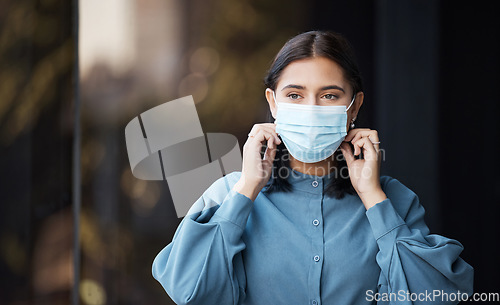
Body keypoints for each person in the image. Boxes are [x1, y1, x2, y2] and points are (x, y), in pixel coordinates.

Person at [152, 30, 474, 305]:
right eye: (294, 94)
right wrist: (247, 190)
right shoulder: (229, 194)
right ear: (273, 102)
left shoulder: (393, 201)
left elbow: (434, 296)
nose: (310, 109)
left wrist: (374, 199)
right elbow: (189, 291)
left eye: (329, 95)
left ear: (355, 106)